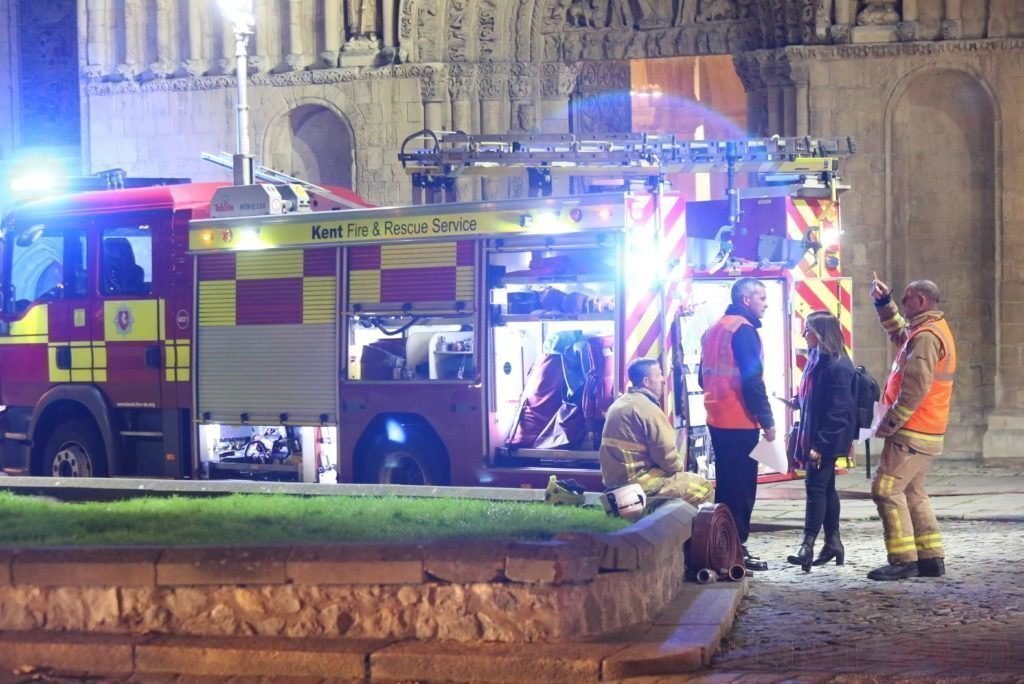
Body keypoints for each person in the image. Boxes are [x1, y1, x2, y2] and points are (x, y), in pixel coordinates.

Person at [867, 277, 956, 581]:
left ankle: (904, 559)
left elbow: (915, 387)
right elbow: (898, 332)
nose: (903, 304)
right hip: (926, 429)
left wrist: (891, 421)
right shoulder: (925, 331)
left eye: (905, 299)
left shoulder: (927, 336)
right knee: (913, 492)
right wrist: (884, 303)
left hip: (912, 430)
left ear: (920, 301)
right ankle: (931, 558)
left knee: (886, 489)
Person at [699, 277, 774, 571]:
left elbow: (702, 376)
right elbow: (752, 380)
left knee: (726, 486)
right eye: (762, 298)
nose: (765, 304)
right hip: (740, 419)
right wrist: (767, 421)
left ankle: (722, 545)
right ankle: (736, 550)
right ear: (746, 300)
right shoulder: (743, 331)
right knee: (742, 490)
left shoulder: (715, 328)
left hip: (716, 418)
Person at [785, 311, 856, 572]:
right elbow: (816, 396)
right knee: (826, 488)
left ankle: (807, 545)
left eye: (808, 330)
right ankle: (833, 542)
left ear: (821, 333)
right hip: (815, 434)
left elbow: (838, 410)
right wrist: (798, 401)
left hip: (826, 439)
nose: (804, 334)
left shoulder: (838, 366)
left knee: (815, 487)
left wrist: (820, 445)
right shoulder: (818, 359)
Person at [599, 358, 713, 508]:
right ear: (646, 381)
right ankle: (682, 530)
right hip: (640, 483)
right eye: (658, 375)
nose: (663, 380)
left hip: (616, 480)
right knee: (703, 488)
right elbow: (667, 456)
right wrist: (680, 472)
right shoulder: (648, 409)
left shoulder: (620, 404)